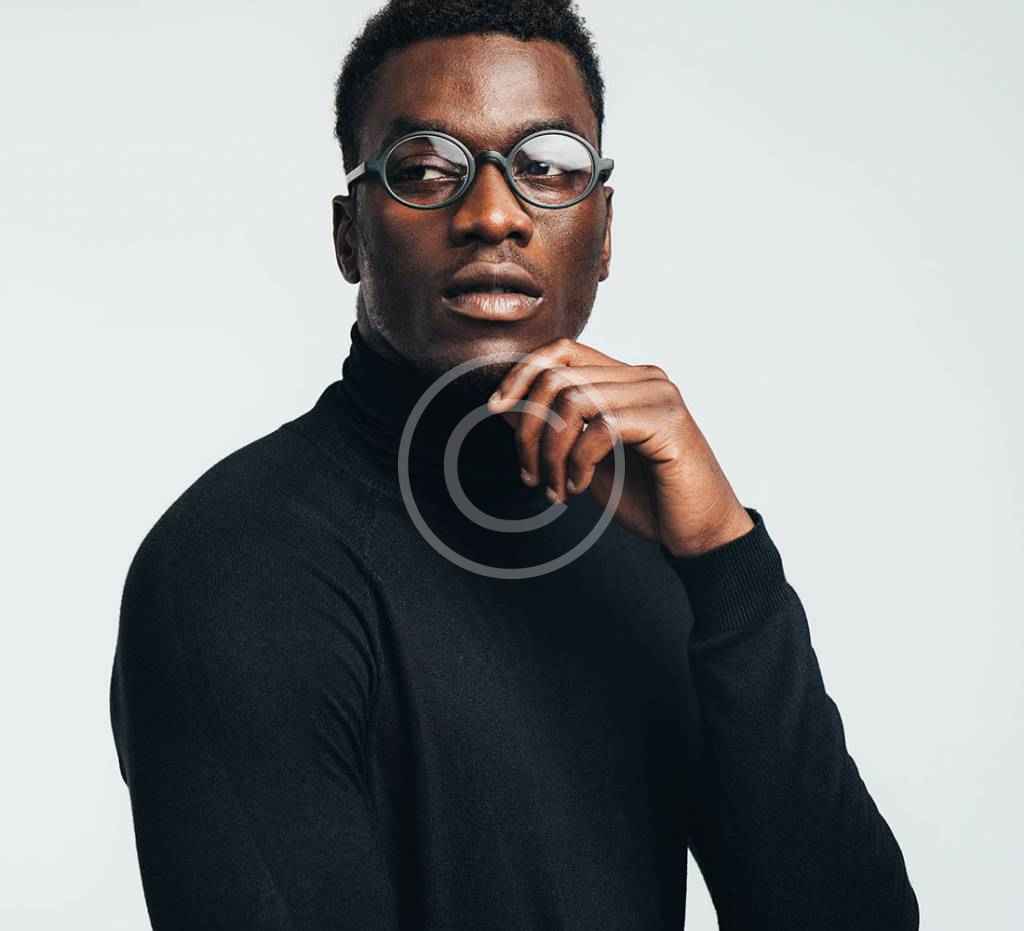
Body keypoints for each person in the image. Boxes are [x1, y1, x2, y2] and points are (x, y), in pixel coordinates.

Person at [109, 1, 920, 927]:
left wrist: (723, 556)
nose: (493, 214)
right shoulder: (235, 567)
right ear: (348, 236)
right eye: (425, 168)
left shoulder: (650, 539)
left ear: (603, 234)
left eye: (547, 166)